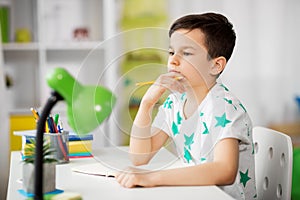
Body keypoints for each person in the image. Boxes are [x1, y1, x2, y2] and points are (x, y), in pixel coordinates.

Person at [116, 12, 257, 200]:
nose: (173, 60)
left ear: (216, 65)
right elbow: (140, 157)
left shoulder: (225, 107)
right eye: (171, 52)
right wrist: (146, 104)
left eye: (187, 53)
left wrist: (153, 177)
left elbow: (225, 171)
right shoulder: (175, 102)